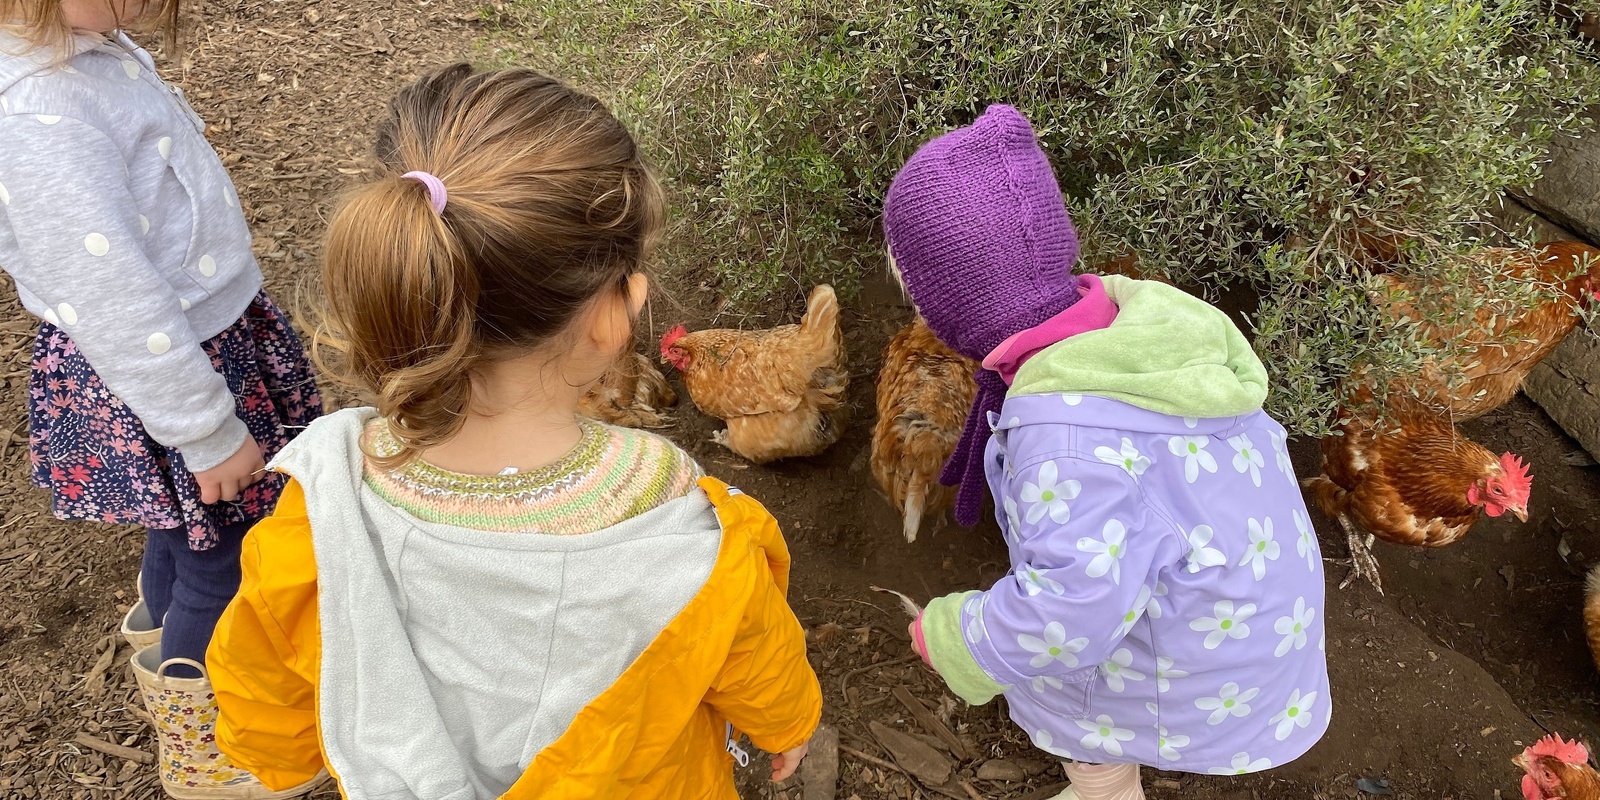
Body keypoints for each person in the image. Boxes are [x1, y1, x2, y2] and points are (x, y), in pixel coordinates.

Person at [204, 64, 823, 799]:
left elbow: (264, 674)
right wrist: (789, 725)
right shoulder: (678, 524)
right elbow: (753, 650)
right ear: (608, 318)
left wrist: (275, 752)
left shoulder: (326, 504)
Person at [886, 105, 1331, 800]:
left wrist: (958, 638)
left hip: (1206, 666)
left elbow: (1069, 614)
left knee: (1062, 688)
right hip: (1253, 617)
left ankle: (1106, 790)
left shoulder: (1061, 437)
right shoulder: (1138, 335)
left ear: (952, 307)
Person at [0, 2, 322, 796]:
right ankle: (212, 750)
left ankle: (165, 649)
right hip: (171, 364)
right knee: (230, 552)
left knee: (189, 531)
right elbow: (111, 294)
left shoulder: (83, 43)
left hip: (187, 346)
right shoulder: (43, 107)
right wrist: (207, 430)